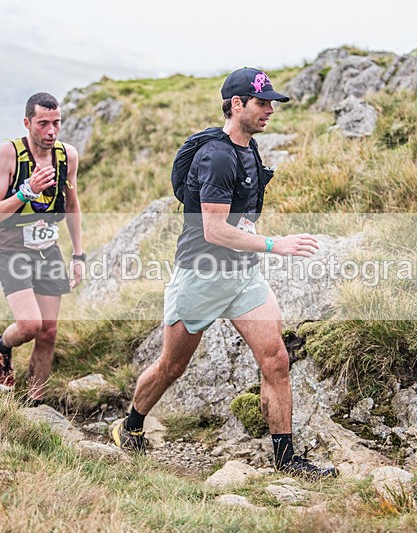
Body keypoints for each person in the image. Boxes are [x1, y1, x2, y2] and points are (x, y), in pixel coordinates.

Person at [110, 68, 338, 479]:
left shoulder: (248, 148)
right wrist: (276, 244)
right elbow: (214, 231)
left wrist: (258, 244)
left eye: (272, 103)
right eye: (262, 102)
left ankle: (287, 462)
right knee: (171, 367)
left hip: (243, 276)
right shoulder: (216, 157)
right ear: (237, 104)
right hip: (201, 276)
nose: (270, 110)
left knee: (277, 361)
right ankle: (131, 427)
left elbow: (240, 218)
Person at [0, 92, 84, 404]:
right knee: (29, 325)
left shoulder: (67, 156)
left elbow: (71, 204)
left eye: (56, 123)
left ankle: (34, 400)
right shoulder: (9, 154)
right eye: (43, 124)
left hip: (47, 247)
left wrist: (78, 254)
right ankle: (1, 345)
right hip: (10, 247)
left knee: (49, 331)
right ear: (27, 123)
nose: (51, 131)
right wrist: (27, 191)